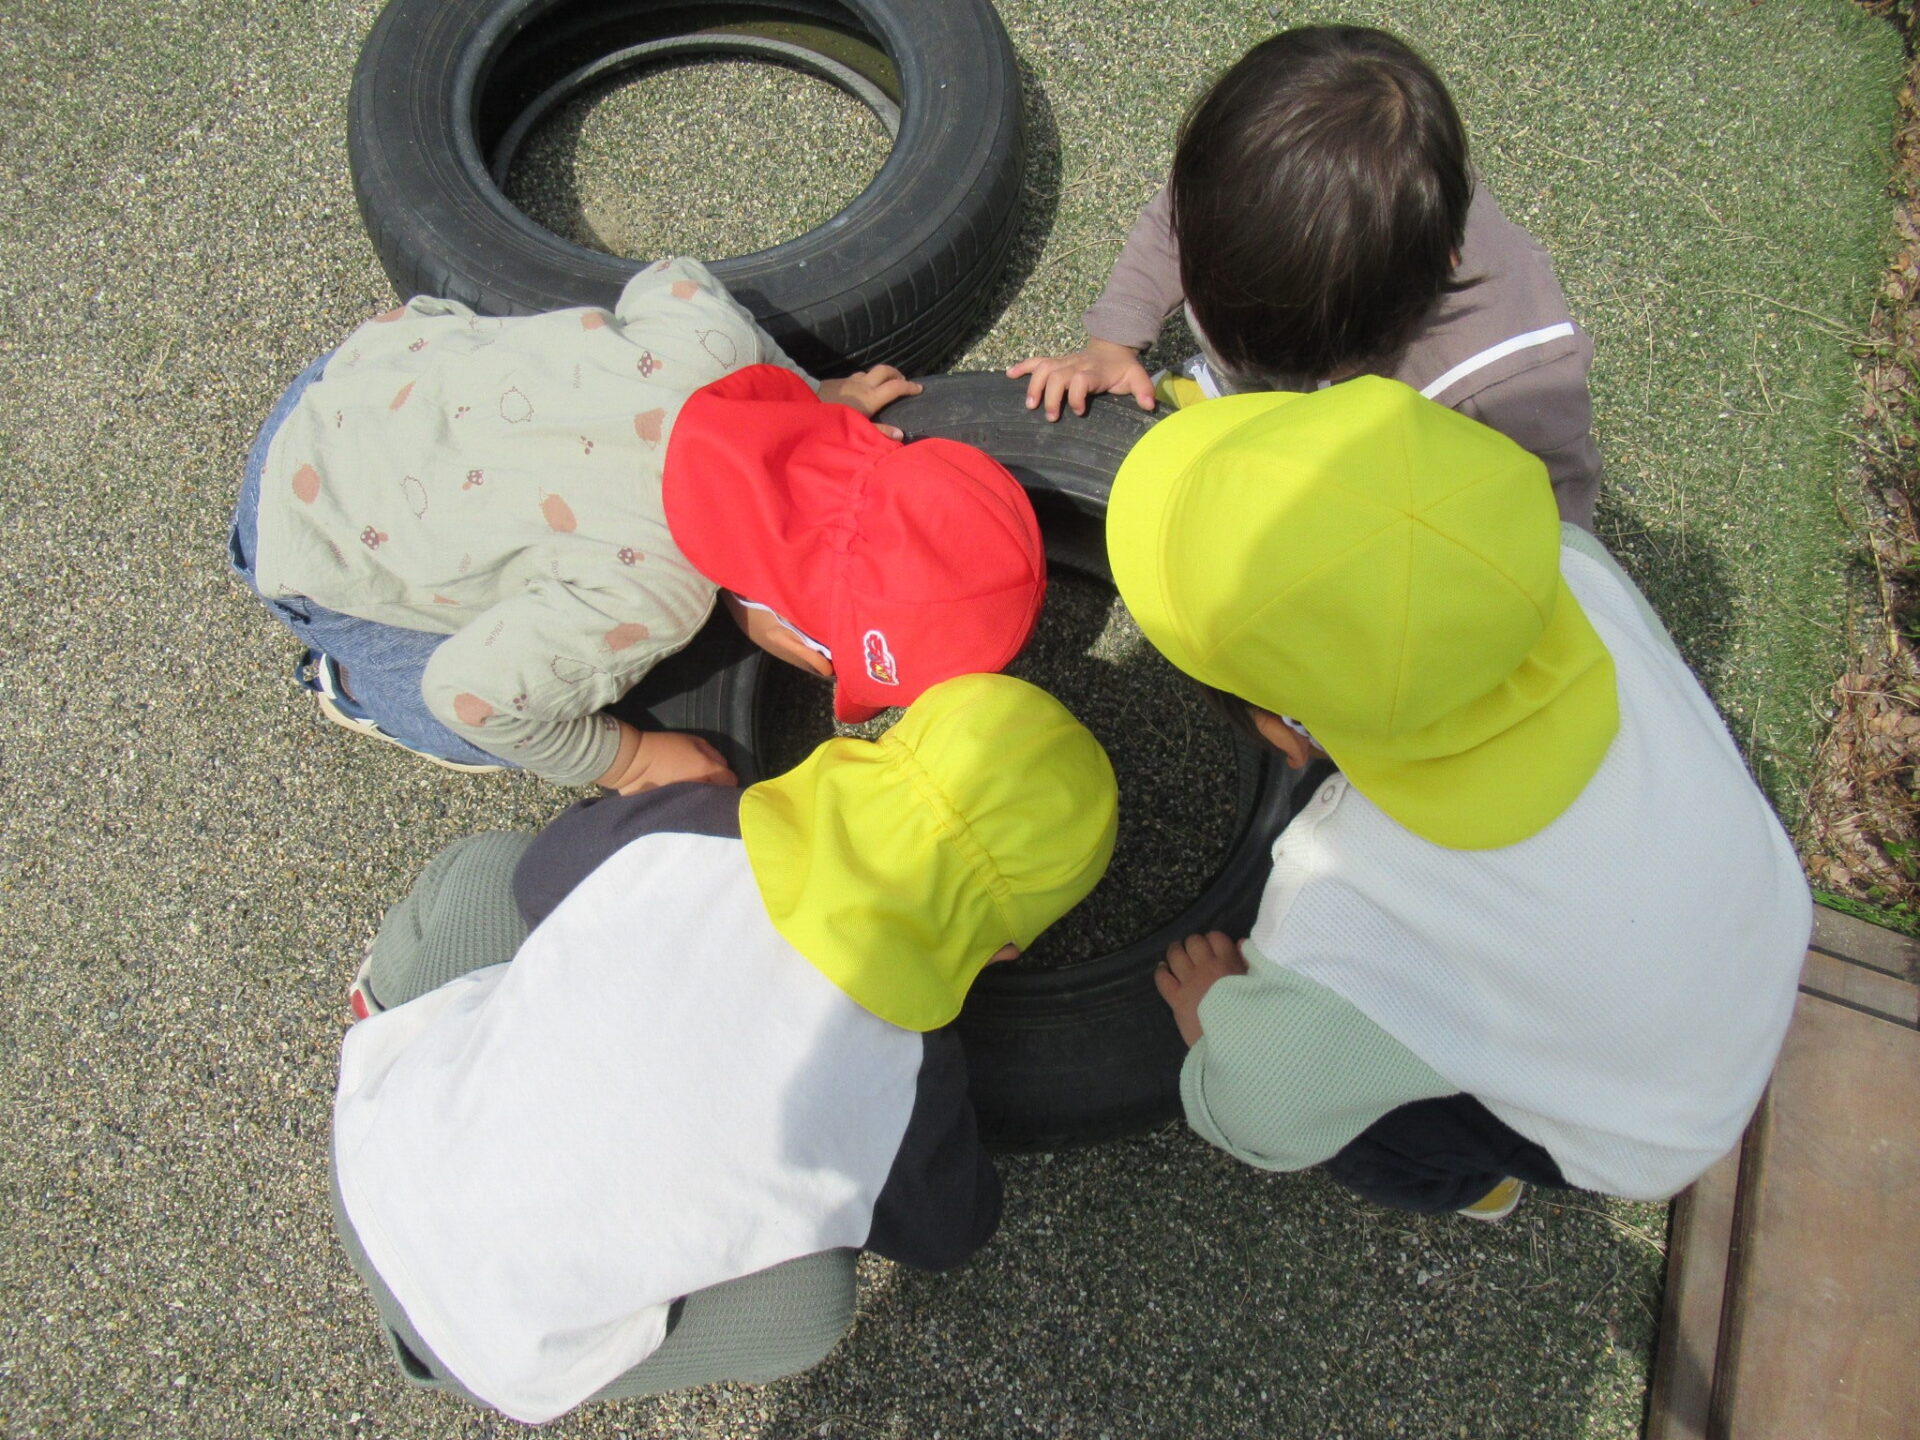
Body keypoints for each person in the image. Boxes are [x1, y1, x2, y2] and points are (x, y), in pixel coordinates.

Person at [1104, 377, 1809, 1220]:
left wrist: (1215, 1012)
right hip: (1758, 931)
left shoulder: (1341, 904)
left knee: (1382, 1138)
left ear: (1286, 735)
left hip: (1658, 1126)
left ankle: (1479, 1182)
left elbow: (1259, 1114)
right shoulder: (1575, 568)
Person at [330, 672, 1119, 1422]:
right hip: (495, 1353)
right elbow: (956, 1228)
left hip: (373, 1160)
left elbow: (541, 875)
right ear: (1002, 954)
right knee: (813, 1304)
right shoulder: (906, 1079)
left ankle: (391, 1004)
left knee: (487, 870)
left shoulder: (684, 830)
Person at [231, 257, 1045, 788]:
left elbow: (672, 278)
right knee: (486, 709)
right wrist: (629, 761)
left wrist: (804, 393)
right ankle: (353, 686)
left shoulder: (716, 352)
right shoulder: (647, 597)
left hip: (364, 380)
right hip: (306, 531)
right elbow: (470, 695)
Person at [1009, 25, 1603, 528]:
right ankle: (1231, 400)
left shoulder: (1510, 378)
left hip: (1402, 473)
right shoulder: (1245, 177)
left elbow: (1556, 510)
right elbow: (1176, 219)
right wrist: (1111, 346)